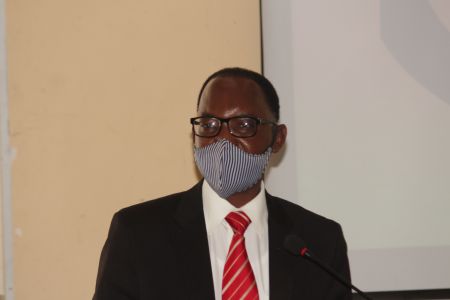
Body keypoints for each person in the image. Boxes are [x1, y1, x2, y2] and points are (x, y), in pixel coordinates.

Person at [93, 67, 351, 300]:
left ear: (278, 138)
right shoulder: (138, 234)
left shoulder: (319, 242)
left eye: (243, 124)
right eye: (209, 124)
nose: (223, 140)